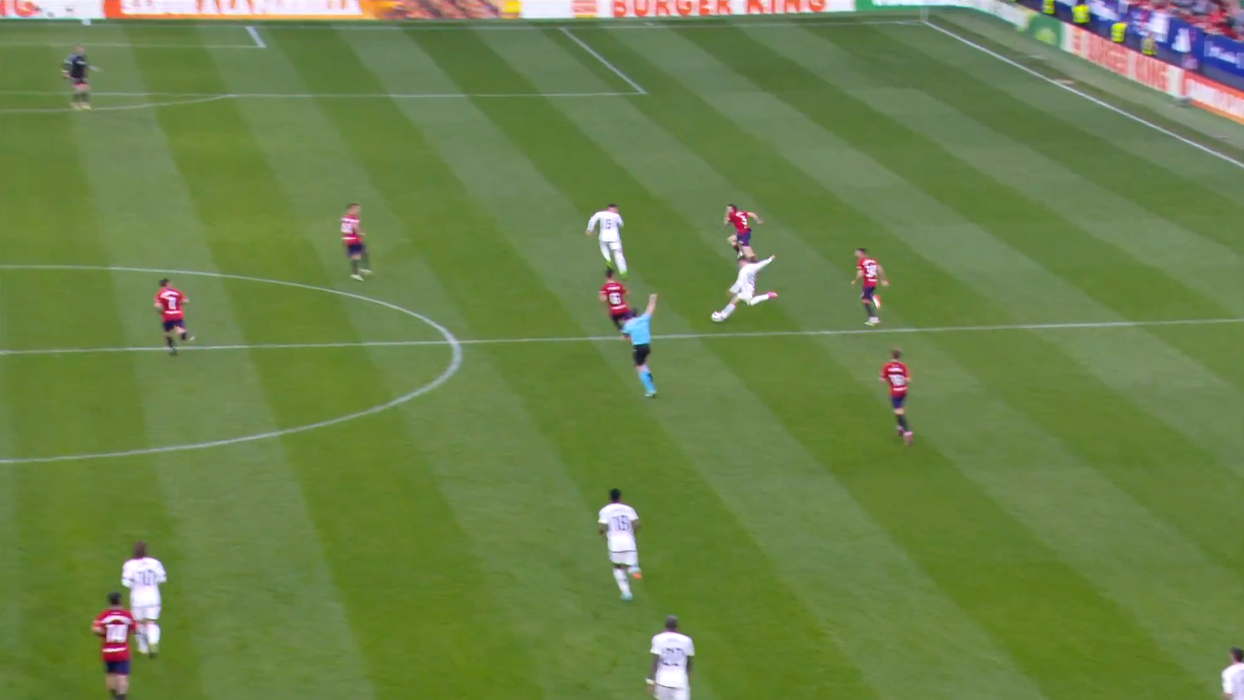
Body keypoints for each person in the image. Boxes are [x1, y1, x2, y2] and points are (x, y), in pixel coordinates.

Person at [122, 541, 167, 658]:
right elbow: (162, 578)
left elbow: (126, 582)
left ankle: (143, 648)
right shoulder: (155, 563)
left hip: (137, 598)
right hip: (153, 597)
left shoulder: (130, 564)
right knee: (151, 621)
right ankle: (153, 642)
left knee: (138, 622)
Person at [92, 592, 138, 700]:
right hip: (122, 651)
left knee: (110, 674)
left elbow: (95, 629)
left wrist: (105, 633)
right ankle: (120, 698)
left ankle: (113, 695)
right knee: (122, 677)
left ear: (109, 602)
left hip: (108, 651)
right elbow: (135, 629)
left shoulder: (104, 615)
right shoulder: (127, 615)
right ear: (120, 601)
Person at [598, 488, 642, 600]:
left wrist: (603, 535)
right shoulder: (629, 509)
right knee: (630, 562)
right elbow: (637, 524)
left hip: (615, 542)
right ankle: (633, 569)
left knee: (618, 567)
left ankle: (626, 593)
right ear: (620, 497)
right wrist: (631, 533)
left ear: (609, 498)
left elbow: (602, 527)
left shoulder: (605, 510)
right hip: (629, 541)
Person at [712, 255, 777, 322]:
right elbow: (761, 264)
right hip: (750, 289)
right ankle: (769, 295)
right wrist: (769, 259)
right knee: (746, 301)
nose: (739, 265)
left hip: (747, 291)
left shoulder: (743, 271)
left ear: (743, 262)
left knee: (743, 301)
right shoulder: (753, 266)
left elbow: (739, 283)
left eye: (740, 263)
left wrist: (732, 290)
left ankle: (722, 316)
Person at [648, 615, 694, 700]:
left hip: (662, 681)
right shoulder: (686, 640)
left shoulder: (658, 639)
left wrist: (650, 681)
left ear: (665, 626)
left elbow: (655, 662)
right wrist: (688, 680)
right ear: (677, 626)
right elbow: (689, 664)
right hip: (680, 681)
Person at [621, 294, 658, 398]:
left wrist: (630, 340)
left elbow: (625, 337)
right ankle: (648, 377)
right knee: (644, 364)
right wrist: (652, 299)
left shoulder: (628, 325)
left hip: (638, 348)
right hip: (647, 347)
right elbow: (650, 308)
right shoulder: (644, 319)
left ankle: (651, 390)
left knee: (640, 368)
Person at [880, 349, 913, 446]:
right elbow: (908, 380)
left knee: (899, 412)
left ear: (891, 356)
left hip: (895, 392)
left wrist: (888, 379)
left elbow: (882, 380)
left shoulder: (887, 367)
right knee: (898, 410)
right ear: (899, 357)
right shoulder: (903, 366)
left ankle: (907, 432)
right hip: (904, 391)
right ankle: (900, 428)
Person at [586, 204, 627, 279]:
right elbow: (621, 224)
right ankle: (623, 272)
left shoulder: (600, 213)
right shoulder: (616, 216)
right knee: (618, 255)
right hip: (614, 238)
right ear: (613, 209)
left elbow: (593, 220)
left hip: (603, 237)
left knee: (603, 247)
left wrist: (589, 230)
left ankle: (608, 259)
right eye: (616, 209)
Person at [154, 279, 193, 356]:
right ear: (167, 284)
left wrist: (161, 313)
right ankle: (183, 334)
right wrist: (180, 303)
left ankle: (171, 348)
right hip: (178, 314)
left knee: (168, 333)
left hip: (167, 315)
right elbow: (186, 301)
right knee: (179, 328)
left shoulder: (160, 294)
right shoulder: (177, 292)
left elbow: (157, 306)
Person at [851, 248, 889, 327]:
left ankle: (874, 318)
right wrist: (883, 279)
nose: (856, 254)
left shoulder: (861, 262)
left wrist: (855, 281)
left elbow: (860, 274)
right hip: (873, 282)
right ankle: (873, 317)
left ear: (862, 253)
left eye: (857, 253)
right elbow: (880, 269)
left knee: (865, 301)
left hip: (868, 283)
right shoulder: (873, 261)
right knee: (865, 299)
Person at [63, 44, 99, 111]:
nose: (82, 50)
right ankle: (74, 103)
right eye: (80, 49)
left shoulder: (84, 57)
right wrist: (66, 73)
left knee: (87, 89)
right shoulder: (72, 57)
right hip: (74, 76)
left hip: (82, 76)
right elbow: (67, 65)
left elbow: (87, 65)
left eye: (82, 49)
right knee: (79, 89)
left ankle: (84, 103)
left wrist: (93, 68)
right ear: (76, 50)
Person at [341, 203, 371, 281]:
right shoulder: (352, 218)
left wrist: (344, 239)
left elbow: (344, 230)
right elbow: (355, 227)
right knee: (356, 256)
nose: (359, 210)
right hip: (354, 239)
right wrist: (360, 233)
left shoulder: (345, 218)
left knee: (364, 251)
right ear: (352, 209)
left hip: (349, 239)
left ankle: (364, 269)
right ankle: (355, 273)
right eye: (357, 209)